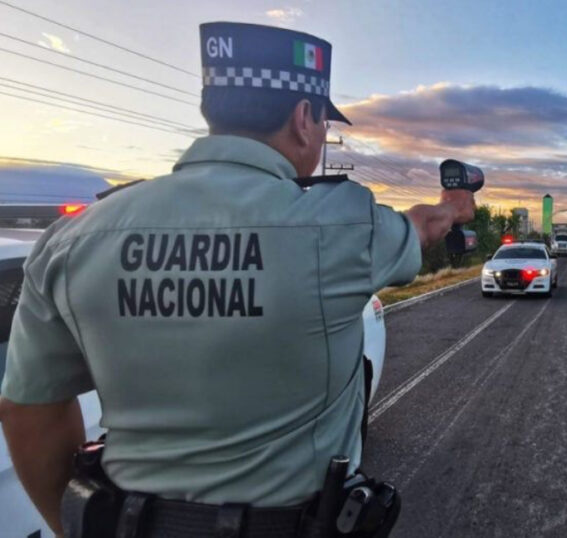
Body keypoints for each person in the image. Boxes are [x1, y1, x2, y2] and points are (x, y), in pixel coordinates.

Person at [0, 22, 474, 536]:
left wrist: (71, 526)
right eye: (322, 123)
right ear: (303, 119)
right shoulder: (343, 227)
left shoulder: (72, 240)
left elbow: (29, 412)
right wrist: (454, 204)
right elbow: (423, 225)